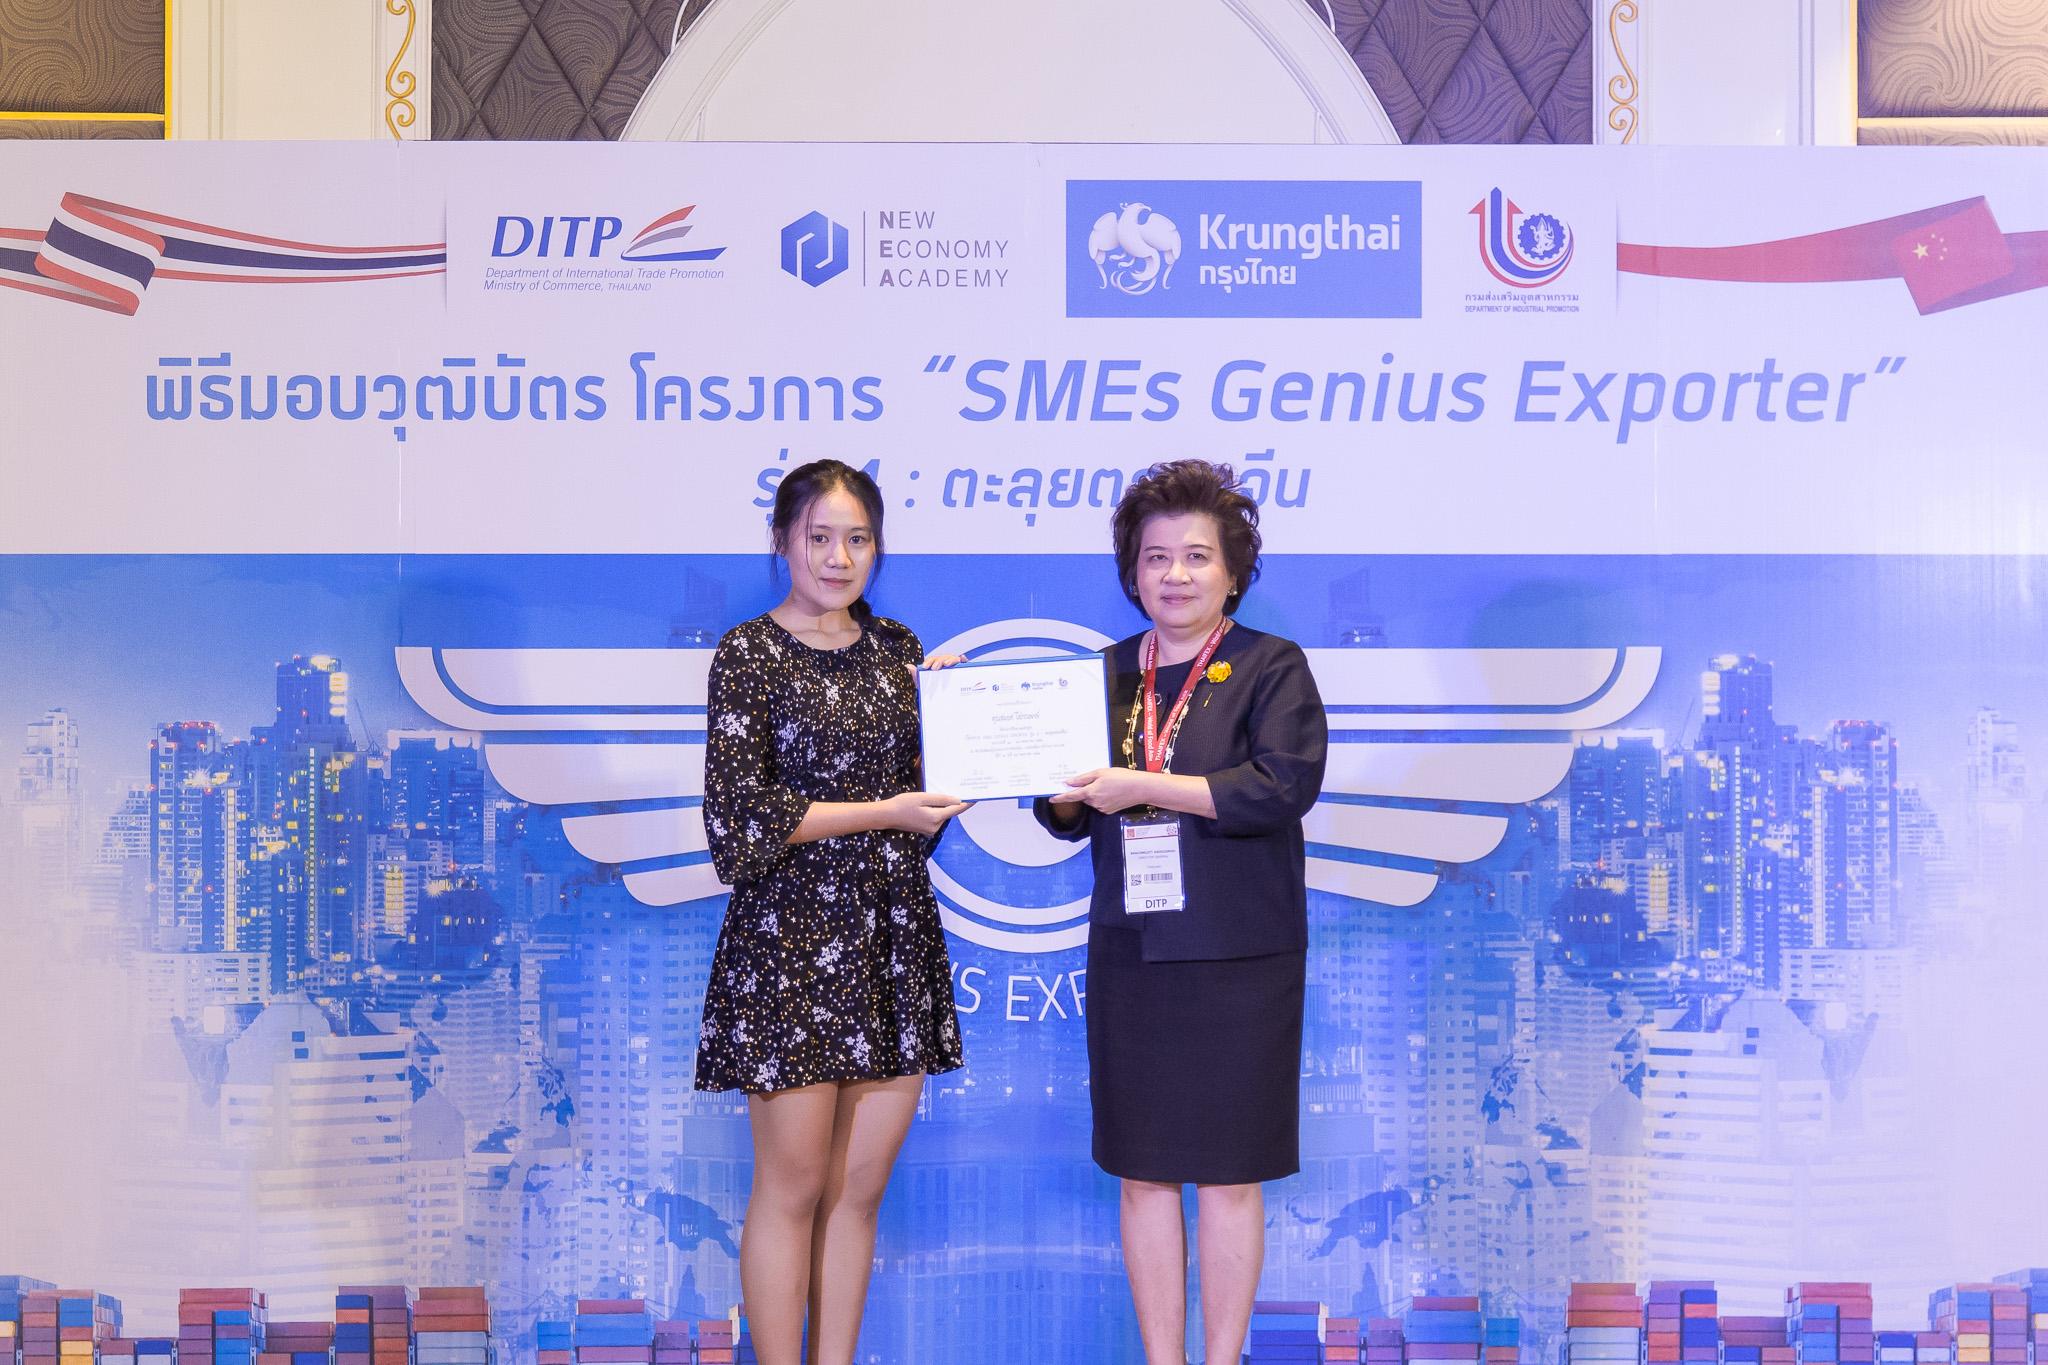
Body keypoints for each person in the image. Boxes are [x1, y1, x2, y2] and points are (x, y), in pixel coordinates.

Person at [1035, 458, 1328, 1365]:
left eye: (1197, 556)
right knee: (1144, 1169)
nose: (1175, 575)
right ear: (1133, 571)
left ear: (1233, 570)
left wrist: (1147, 785)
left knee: (1232, 1175)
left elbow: (1282, 785)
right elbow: (1061, 811)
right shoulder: (1103, 672)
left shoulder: (1272, 666)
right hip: (1135, 951)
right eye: (1156, 557)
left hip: (1242, 956)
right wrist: (1061, 790)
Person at [695, 458, 969, 1365]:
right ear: (783, 541)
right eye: (820, 537)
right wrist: (884, 809)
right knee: (793, 1186)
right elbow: (740, 819)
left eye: (858, 538)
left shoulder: (900, 650)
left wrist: (957, 719)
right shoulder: (748, 654)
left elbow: (923, 812)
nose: (839, 557)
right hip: (789, 943)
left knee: (857, 1193)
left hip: (891, 936)